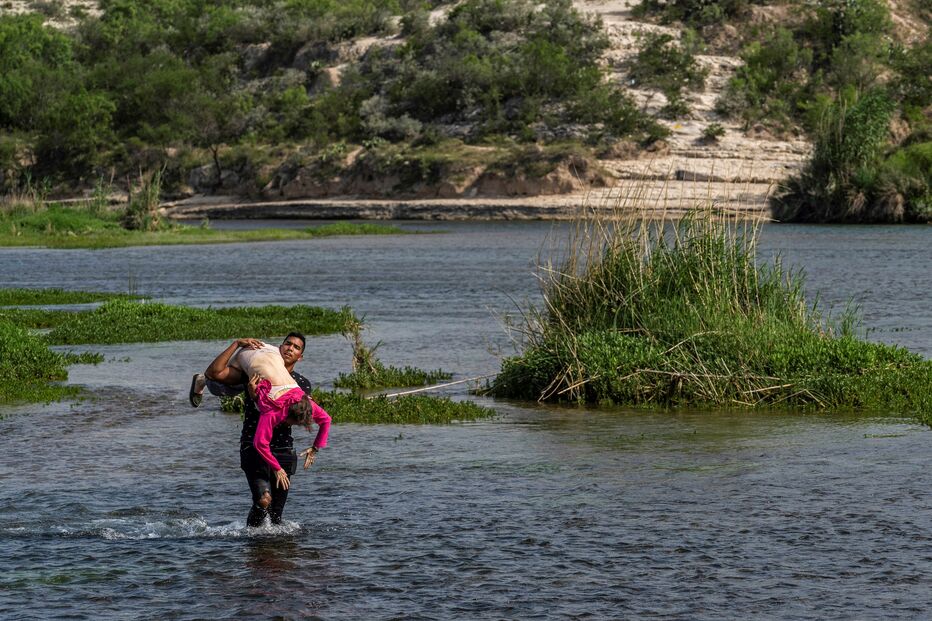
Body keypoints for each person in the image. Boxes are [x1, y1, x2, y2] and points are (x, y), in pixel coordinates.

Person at [189, 333, 332, 526]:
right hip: (253, 446)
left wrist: (315, 448)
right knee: (264, 500)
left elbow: (321, 417)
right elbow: (260, 441)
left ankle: (269, 544)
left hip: (283, 449)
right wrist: (252, 391)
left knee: (276, 517)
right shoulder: (258, 378)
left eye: (296, 347)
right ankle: (251, 538)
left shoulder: (301, 384)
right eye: (287, 344)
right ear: (280, 347)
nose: (290, 348)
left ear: (301, 357)